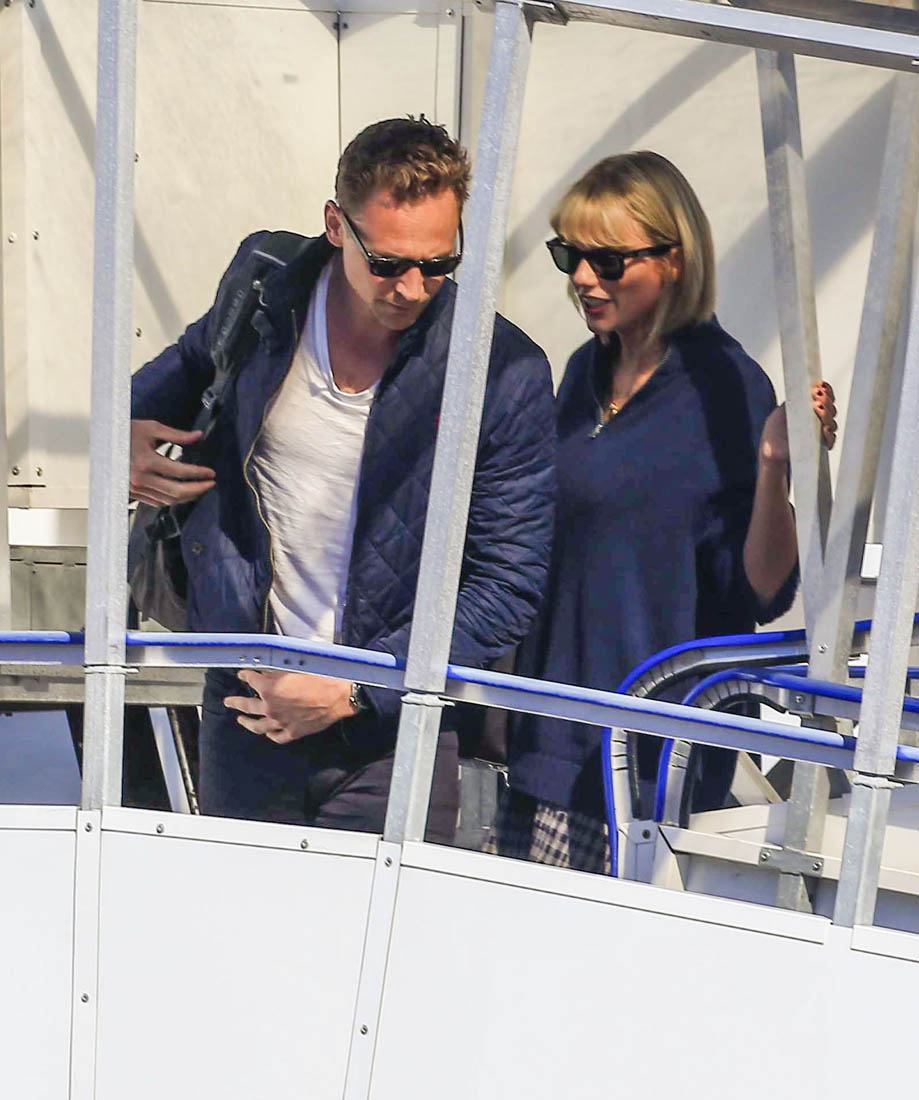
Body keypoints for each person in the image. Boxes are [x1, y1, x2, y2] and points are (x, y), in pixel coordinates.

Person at [129, 117, 556, 840]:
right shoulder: (264, 289)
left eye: (439, 264)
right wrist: (125, 431)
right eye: (387, 263)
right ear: (335, 225)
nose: (412, 288)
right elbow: (185, 368)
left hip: (395, 727)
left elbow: (507, 583)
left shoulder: (501, 370)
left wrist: (355, 689)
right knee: (241, 913)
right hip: (245, 705)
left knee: (385, 920)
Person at [488, 150, 836, 873]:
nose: (583, 279)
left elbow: (760, 591)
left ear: (673, 261)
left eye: (608, 261)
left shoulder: (725, 386)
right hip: (546, 742)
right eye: (570, 256)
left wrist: (774, 468)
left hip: (644, 767)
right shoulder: (583, 370)